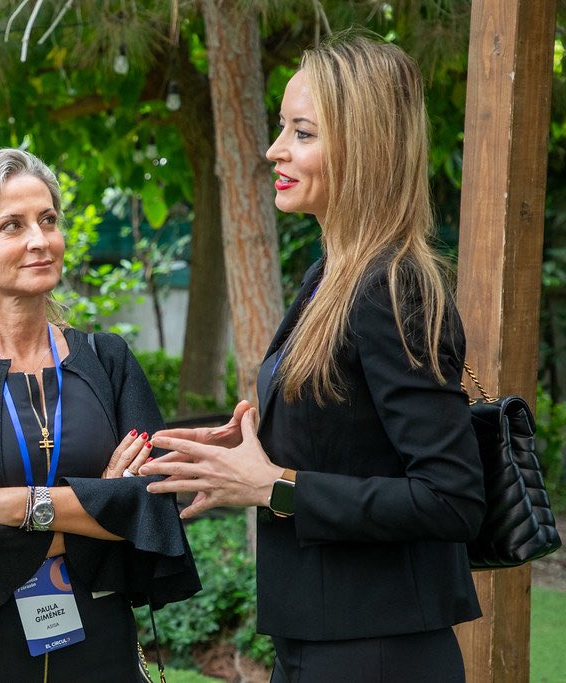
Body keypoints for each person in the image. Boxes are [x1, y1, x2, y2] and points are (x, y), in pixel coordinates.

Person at [140, 35, 486, 682]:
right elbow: (349, 436)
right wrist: (244, 446)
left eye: (302, 133)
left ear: (363, 146)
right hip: (319, 639)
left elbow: (451, 497)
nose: (275, 150)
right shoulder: (332, 275)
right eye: (281, 128)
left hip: (377, 649)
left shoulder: (390, 286)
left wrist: (273, 487)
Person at [0, 148, 200, 681]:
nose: (39, 240)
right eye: (12, 226)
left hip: (99, 643)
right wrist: (103, 504)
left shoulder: (109, 361)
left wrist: (21, 506)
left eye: (48, 220)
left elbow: (158, 507)